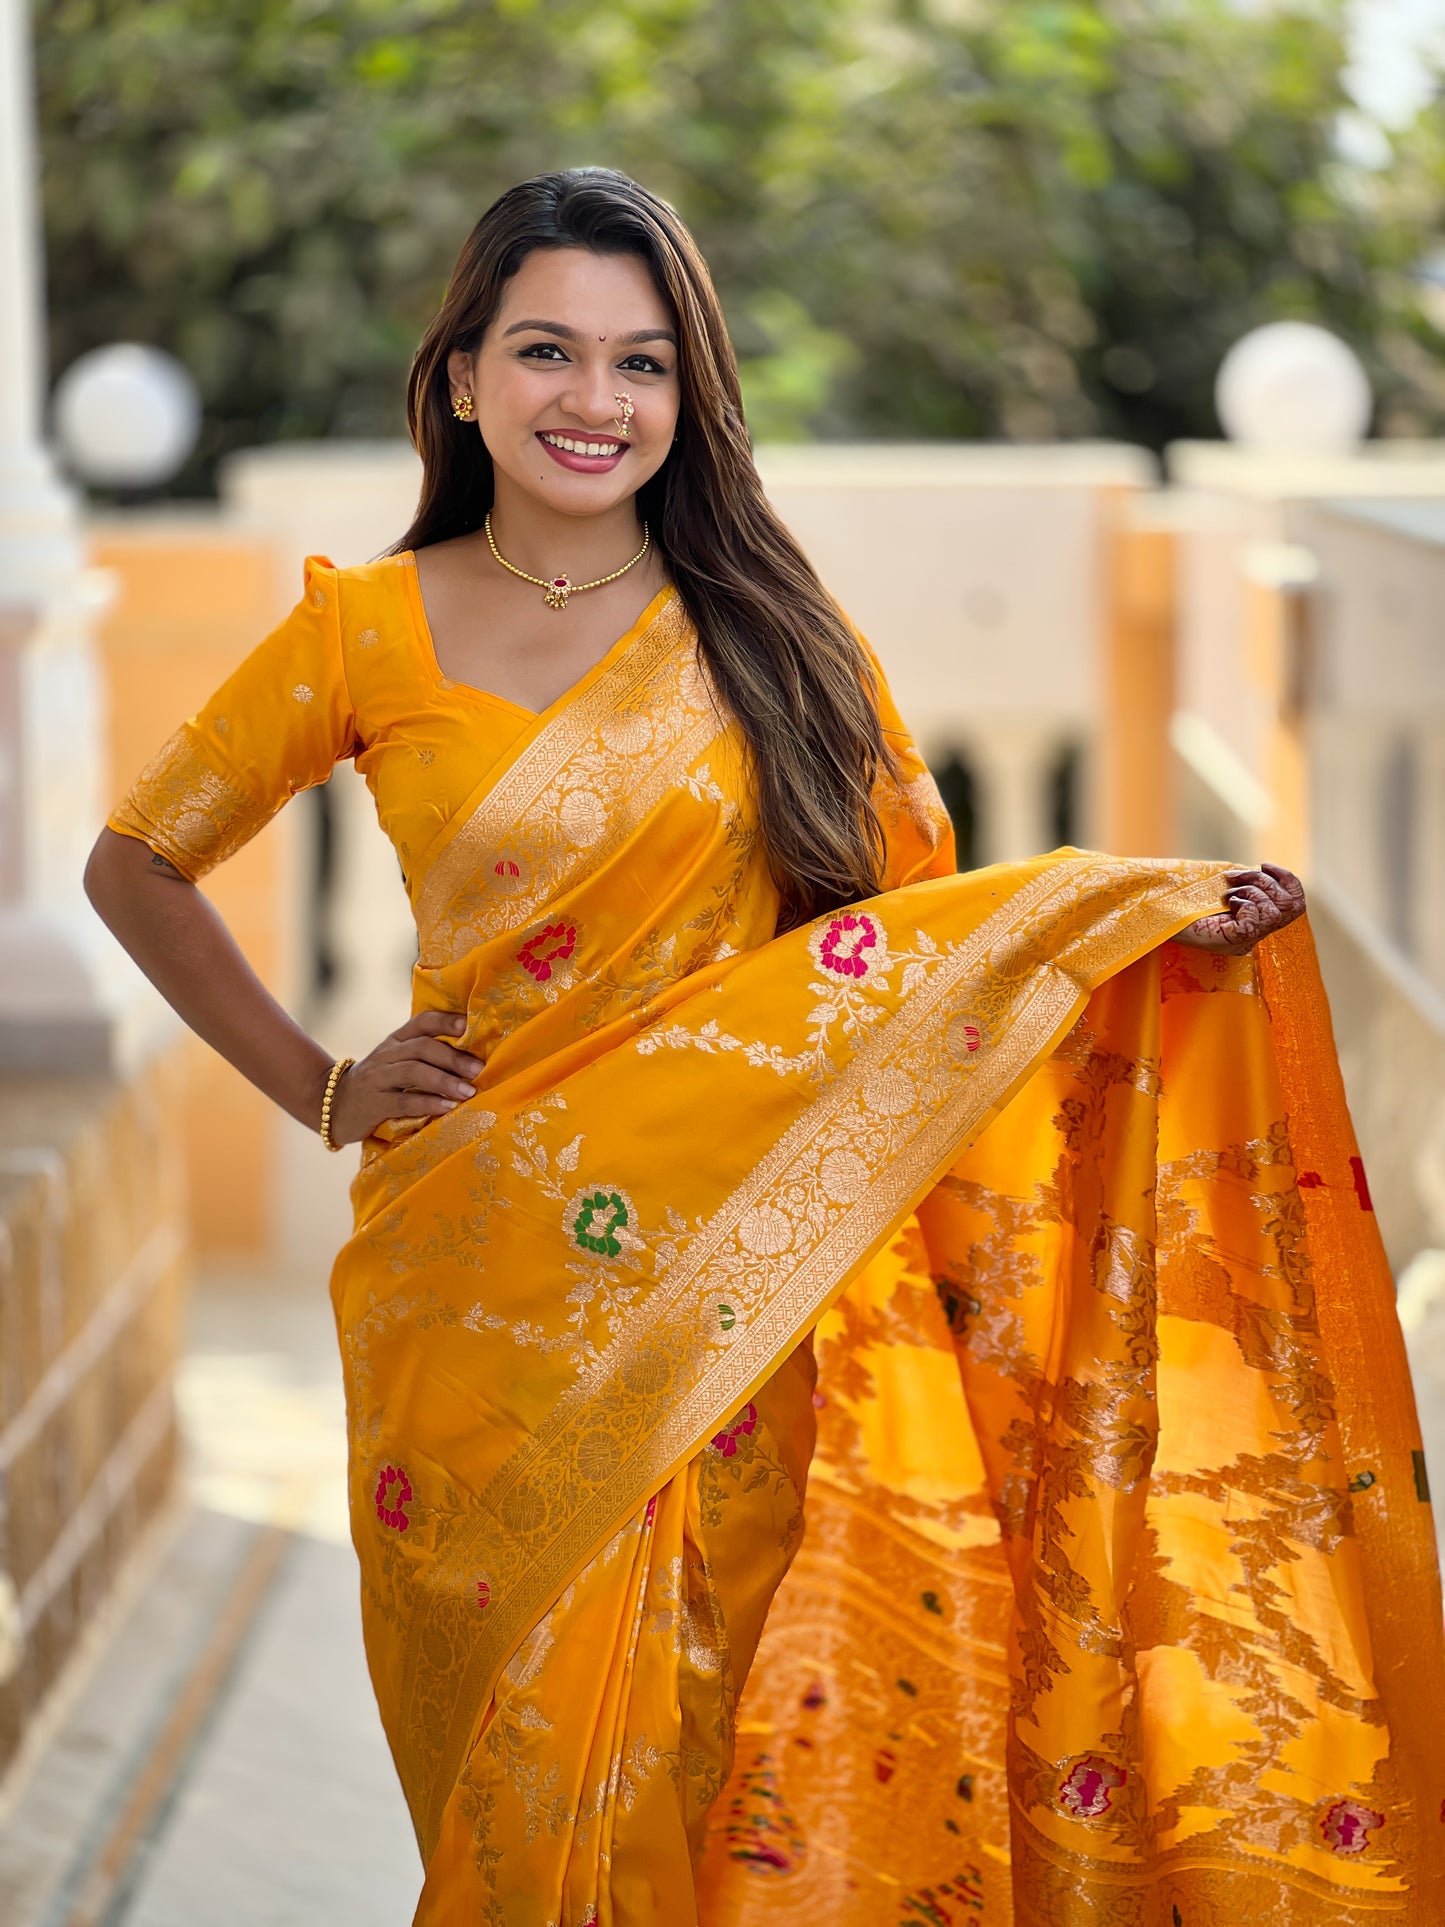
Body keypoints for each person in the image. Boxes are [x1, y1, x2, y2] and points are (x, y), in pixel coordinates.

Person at [85, 168, 1444, 1925]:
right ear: (463, 380)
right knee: (515, 1778)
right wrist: (323, 1084)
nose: (596, 401)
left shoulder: (772, 637)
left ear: (688, 390)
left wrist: (1118, 931)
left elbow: (908, 956)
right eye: (549, 352)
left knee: (732, 1754)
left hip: (746, 1302)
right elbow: (136, 860)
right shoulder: (364, 628)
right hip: (472, 1296)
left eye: (642, 363)